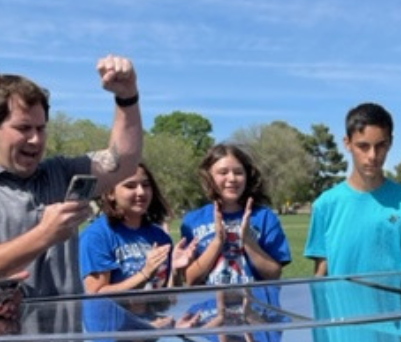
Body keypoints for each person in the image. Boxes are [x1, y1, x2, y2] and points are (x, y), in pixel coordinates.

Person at [0, 54, 143, 297]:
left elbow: (125, 163)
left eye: (41, 128)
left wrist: (127, 96)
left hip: (65, 335)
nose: (36, 139)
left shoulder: (61, 172)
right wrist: (44, 235)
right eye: (24, 128)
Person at [304, 102, 401, 276]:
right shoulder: (325, 204)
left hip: (396, 304)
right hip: (342, 303)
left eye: (380, 146)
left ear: (390, 143)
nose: (372, 156)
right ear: (347, 143)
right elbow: (320, 275)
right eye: (363, 146)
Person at [180, 143, 291, 286]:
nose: (232, 178)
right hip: (209, 306)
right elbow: (190, 279)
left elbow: (274, 274)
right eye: (223, 172)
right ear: (209, 177)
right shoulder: (193, 220)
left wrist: (248, 241)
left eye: (238, 172)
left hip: (255, 306)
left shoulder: (265, 217)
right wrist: (218, 242)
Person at [79, 162, 196, 292]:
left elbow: (166, 299)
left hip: (153, 313)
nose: (141, 192)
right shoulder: (97, 236)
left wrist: (175, 271)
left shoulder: (161, 237)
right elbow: (96, 294)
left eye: (145, 185)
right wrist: (145, 274)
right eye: (130, 186)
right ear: (111, 193)